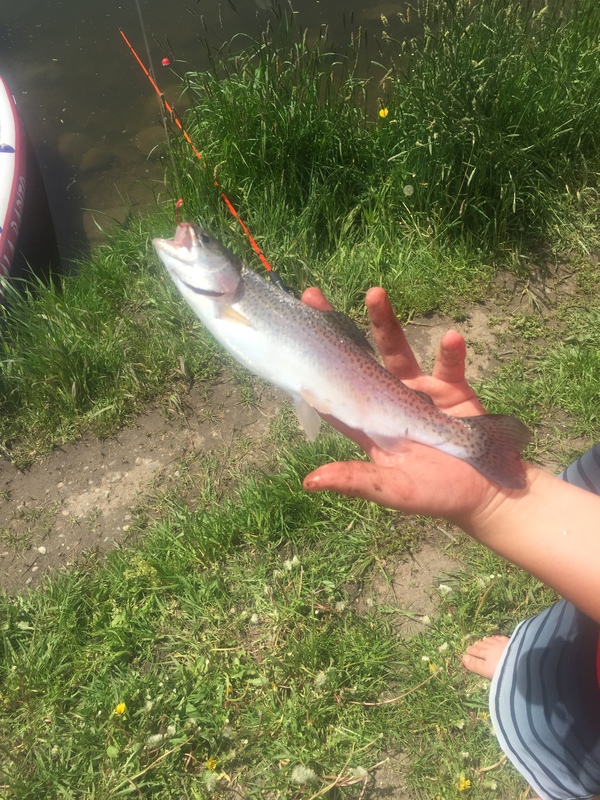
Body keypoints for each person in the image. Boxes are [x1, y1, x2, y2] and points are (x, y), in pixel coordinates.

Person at [301, 286, 600, 800]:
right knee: (556, 644)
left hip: (585, 745)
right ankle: (538, 658)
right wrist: (509, 501)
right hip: (582, 625)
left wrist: (499, 501)